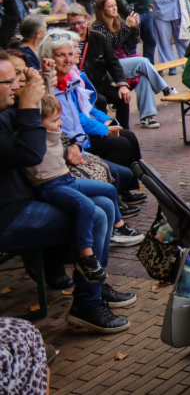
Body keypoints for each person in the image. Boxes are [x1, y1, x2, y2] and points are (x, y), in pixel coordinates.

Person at [0, 52, 135, 333]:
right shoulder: (10, 111)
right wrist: (27, 105)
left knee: (104, 203)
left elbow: (46, 121)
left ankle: (94, 285)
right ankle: (86, 303)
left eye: (17, 78)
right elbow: (31, 153)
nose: (16, 85)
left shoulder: (6, 110)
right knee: (96, 214)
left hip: (26, 197)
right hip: (9, 214)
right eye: (9, 81)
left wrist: (68, 140)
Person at [26, 94, 143, 282]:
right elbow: (34, 120)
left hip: (66, 179)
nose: (60, 124)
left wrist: (47, 74)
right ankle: (86, 257)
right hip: (50, 186)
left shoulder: (55, 133)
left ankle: (116, 228)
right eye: (55, 121)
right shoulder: (34, 137)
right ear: (37, 124)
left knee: (109, 189)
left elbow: (48, 98)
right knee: (87, 206)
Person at [39, 31, 148, 211]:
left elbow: (85, 110)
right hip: (71, 146)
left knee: (127, 136)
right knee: (120, 146)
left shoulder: (70, 80)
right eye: (61, 55)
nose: (69, 58)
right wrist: (102, 130)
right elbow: (70, 121)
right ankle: (119, 201)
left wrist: (108, 121)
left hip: (79, 140)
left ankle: (131, 188)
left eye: (71, 53)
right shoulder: (51, 88)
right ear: (48, 60)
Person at [85, 0, 172, 130]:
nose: (114, 8)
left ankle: (147, 117)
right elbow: (111, 45)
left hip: (123, 63)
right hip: (108, 68)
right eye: (110, 6)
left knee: (143, 77)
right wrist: (127, 26)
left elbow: (132, 42)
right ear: (102, 10)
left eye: (115, 5)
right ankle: (165, 89)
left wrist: (135, 28)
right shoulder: (98, 27)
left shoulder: (118, 22)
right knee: (142, 61)